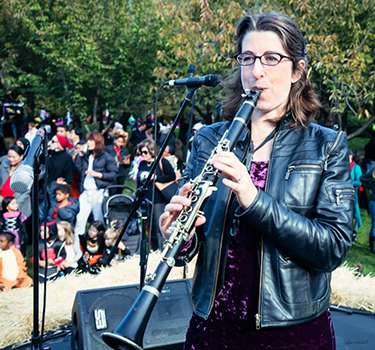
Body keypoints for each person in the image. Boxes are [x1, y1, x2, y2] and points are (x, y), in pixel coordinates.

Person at [160, 11, 353, 350]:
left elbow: (332, 248)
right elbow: (195, 246)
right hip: (213, 329)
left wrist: (254, 199)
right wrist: (181, 235)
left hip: (294, 334)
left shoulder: (327, 144)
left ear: (297, 70)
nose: (256, 71)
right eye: (248, 58)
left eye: (271, 58)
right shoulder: (209, 139)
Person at [74, 132, 118, 236]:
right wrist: (79, 156)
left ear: (97, 143)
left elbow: (114, 174)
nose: (87, 142)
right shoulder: (86, 156)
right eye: (88, 140)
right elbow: (78, 169)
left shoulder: (107, 157)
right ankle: (77, 245)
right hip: (85, 192)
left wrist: (99, 175)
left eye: (90, 140)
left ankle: (101, 242)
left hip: (98, 192)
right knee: (80, 218)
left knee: (99, 218)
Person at [137, 139, 176, 250]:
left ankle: (163, 249)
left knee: (160, 225)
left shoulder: (161, 162)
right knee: (150, 226)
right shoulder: (142, 164)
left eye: (145, 152)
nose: (142, 155)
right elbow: (139, 182)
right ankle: (154, 249)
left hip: (159, 198)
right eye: (141, 152)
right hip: (146, 198)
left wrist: (157, 178)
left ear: (152, 151)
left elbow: (172, 176)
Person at [39, 134, 73, 222]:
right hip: (44, 186)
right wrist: (45, 150)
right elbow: (41, 160)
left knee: (51, 210)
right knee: (41, 210)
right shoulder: (50, 153)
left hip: (55, 188)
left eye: (53, 141)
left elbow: (69, 177)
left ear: (59, 144)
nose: (50, 143)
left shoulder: (66, 158)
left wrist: (61, 184)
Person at [0, 145, 31, 219]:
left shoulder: (25, 168)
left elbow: (26, 192)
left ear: (21, 156)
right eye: (9, 156)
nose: (11, 159)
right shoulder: (4, 164)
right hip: (2, 203)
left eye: (14, 157)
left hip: (18, 205)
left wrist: (14, 204)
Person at [360, 168, 375, 253]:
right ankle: (373, 246)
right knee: (374, 225)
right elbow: (363, 178)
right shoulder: (374, 172)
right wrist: (369, 186)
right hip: (374, 201)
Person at [349, 149, 362, 242]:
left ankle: (354, 232)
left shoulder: (356, 167)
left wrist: (349, 184)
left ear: (351, 156)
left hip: (353, 195)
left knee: (354, 215)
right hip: (343, 196)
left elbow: (360, 181)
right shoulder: (343, 167)